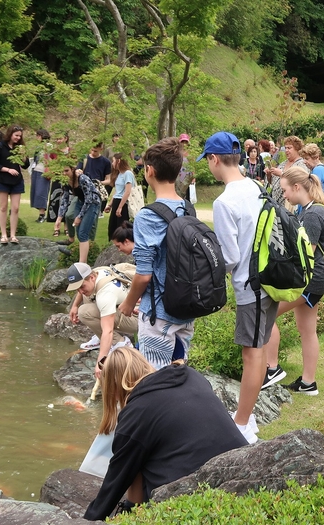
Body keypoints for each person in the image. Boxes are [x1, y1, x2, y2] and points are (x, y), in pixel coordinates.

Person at [83, 347, 247, 521]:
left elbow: (116, 481)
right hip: (244, 466)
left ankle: (134, 510)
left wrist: (87, 520)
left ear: (114, 389)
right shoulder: (192, 376)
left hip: (196, 494)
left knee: (134, 459)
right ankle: (134, 507)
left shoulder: (136, 414)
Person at [198, 131, 275, 444]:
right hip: (269, 279)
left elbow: (229, 256)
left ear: (214, 159)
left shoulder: (224, 201)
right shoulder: (256, 187)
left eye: (208, 161)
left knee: (252, 354)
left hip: (249, 285)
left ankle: (242, 424)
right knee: (256, 349)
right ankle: (248, 415)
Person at [118, 138, 195, 371]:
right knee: (178, 376)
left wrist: (128, 304)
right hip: (185, 310)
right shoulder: (187, 208)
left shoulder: (148, 215)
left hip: (158, 315)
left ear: (149, 171)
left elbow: (144, 275)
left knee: (154, 379)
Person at [262, 166, 324, 396]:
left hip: (310, 281)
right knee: (307, 330)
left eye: (284, 190)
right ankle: (308, 383)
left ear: (297, 187)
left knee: (265, 314)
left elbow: (306, 256)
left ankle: (271, 368)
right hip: (316, 281)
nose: (283, 195)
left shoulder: (312, 214)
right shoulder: (312, 210)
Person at [66, 262, 138, 379]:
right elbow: (83, 290)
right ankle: (101, 338)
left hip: (136, 318)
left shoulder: (106, 294)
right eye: (76, 288)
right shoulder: (98, 272)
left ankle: (120, 343)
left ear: (92, 277)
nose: (80, 291)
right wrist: (74, 305)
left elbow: (108, 331)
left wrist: (100, 362)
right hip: (123, 304)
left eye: (81, 286)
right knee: (87, 294)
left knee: (84, 312)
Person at [0, 124, 30, 245]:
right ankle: (3, 235)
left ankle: (13, 235)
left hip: (16, 181)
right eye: (16, 135)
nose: (18, 138)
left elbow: (25, 165)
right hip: (2, 179)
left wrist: (23, 156)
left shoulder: (20, 148)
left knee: (15, 208)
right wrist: (7, 169)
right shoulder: (0, 146)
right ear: (10, 134)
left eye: (20, 136)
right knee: (3, 207)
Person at [54, 164, 102, 264]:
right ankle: (81, 256)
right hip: (81, 202)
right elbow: (65, 200)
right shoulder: (66, 181)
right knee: (79, 232)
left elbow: (89, 199)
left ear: (72, 169)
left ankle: (82, 263)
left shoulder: (82, 179)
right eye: (62, 171)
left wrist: (79, 217)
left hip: (93, 203)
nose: (64, 173)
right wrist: (59, 218)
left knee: (83, 233)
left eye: (66, 171)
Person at [265, 135, 307, 207]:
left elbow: (300, 181)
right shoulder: (283, 163)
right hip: (275, 204)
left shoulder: (301, 164)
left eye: (289, 148)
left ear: (297, 148)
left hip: (289, 206)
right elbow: (273, 182)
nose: (286, 150)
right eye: (285, 148)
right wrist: (269, 174)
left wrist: (281, 173)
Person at [104, 153, 135, 241]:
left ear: (119, 161)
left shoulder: (127, 173)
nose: (112, 163)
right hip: (117, 201)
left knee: (120, 228)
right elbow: (117, 191)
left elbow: (127, 191)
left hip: (123, 202)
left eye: (113, 161)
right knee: (112, 227)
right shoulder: (119, 174)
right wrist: (110, 205)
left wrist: (120, 207)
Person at [77, 142, 112, 216]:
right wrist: (78, 172)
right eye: (92, 150)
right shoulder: (84, 158)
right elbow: (77, 171)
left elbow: (108, 180)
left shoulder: (106, 162)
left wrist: (99, 182)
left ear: (101, 149)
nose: (93, 152)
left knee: (92, 215)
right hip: (83, 189)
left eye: (95, 151)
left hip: (96, 191)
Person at [30, 129, 52, 223]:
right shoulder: (38, 147)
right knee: (35, 192)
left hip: (44, 172)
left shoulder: (48, 146)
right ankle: (40, 213)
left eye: (38, 135)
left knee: (41, 193)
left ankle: (42, 215)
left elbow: (51, 158)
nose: (37, 137)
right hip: (36, 171)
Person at [175, 134, 194, 199]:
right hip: (178, 174)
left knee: (186, 193)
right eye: (182, 142)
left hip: (187, 175)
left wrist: (194, 177)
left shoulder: (190, 153)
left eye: (185, 142)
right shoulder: (177, 152)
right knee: (178, 191)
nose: (184, 144)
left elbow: (193, 165)